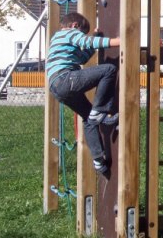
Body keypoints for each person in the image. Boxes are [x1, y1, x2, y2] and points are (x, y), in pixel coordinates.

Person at [46, 12, 121, 175]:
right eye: (82, 32)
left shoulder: (57, 39)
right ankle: (100, 110)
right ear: (75, 25)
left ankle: (98, 160)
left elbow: (81, 58)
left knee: (88, 119)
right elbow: (86, 41)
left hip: (56, 88)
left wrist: (94, 40)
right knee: (109, 69)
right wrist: (118, 42)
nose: (82, 36)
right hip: (65, 79)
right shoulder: (69, 32)